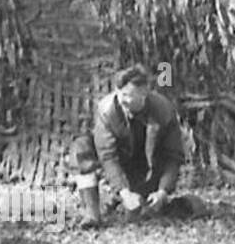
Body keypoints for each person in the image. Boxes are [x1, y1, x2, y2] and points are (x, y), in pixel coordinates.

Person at [71, 64, 201, 228]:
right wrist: (123, 191)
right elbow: (108, 156)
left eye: (128, 95)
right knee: (81, 146)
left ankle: (159, 204)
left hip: (150, 168)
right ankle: (92, 215)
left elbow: (173, 157)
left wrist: (163, 191)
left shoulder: (163, 110)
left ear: (144, 94)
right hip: (123, 165)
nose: (122, 99)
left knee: (150, 211)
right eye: (121, 94)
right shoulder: (107, 110)